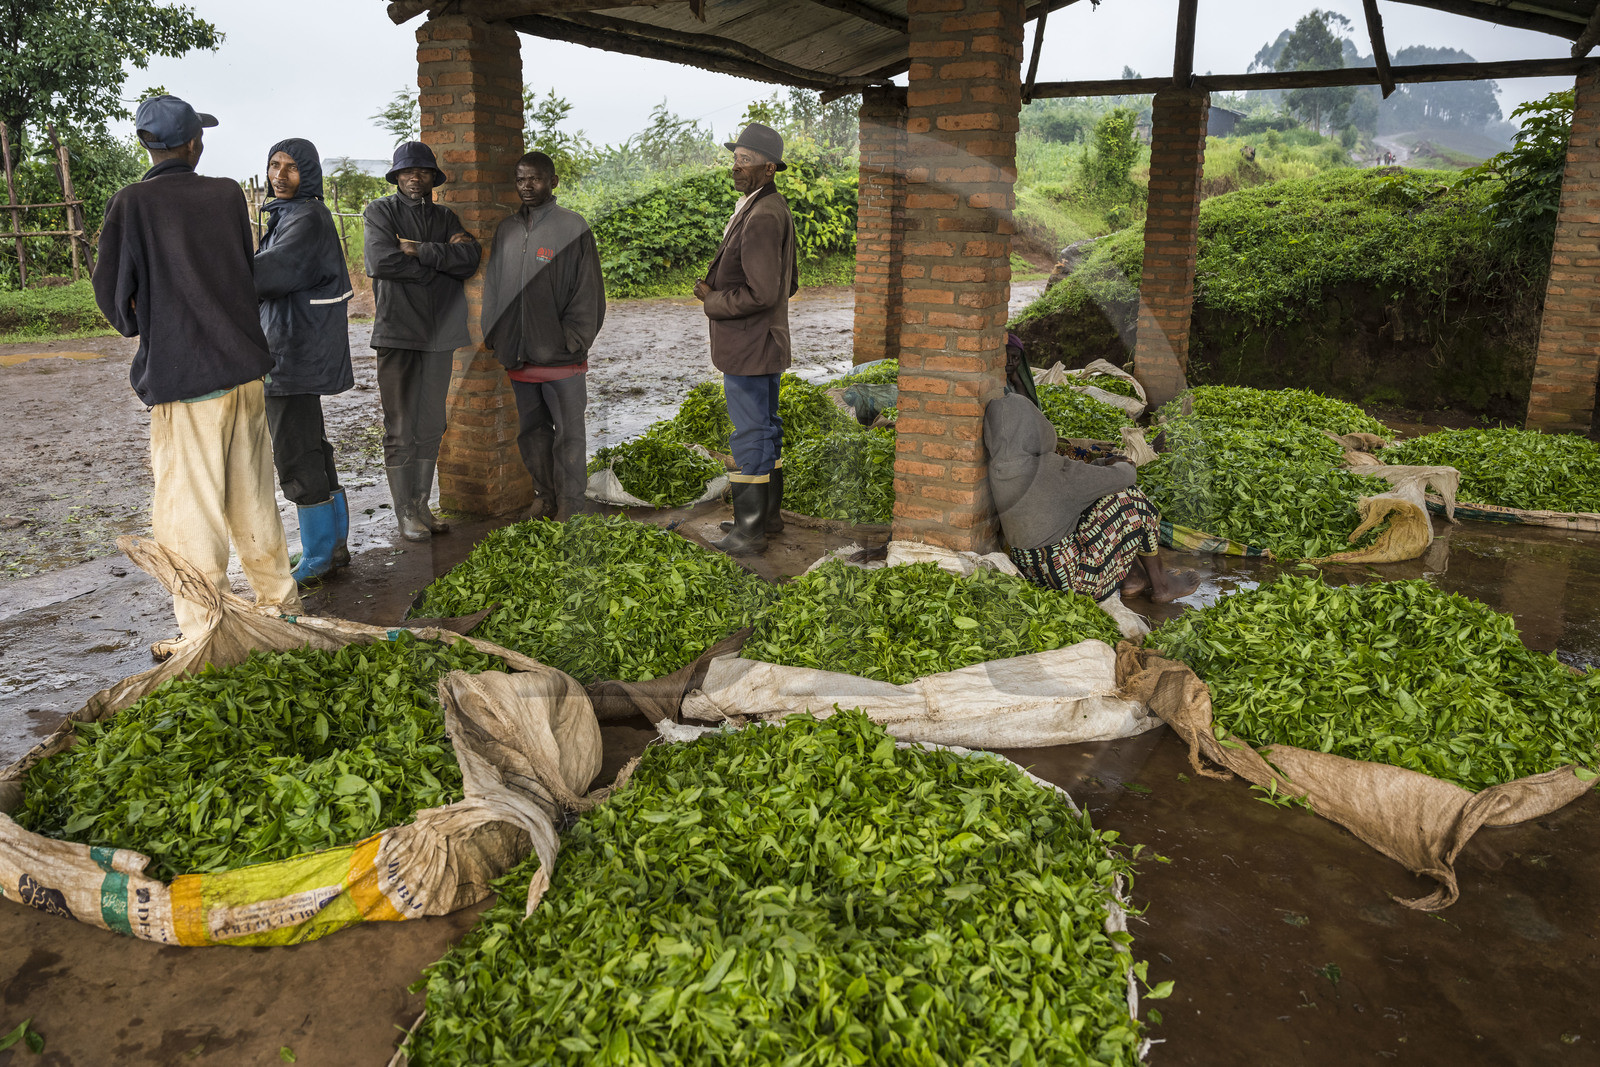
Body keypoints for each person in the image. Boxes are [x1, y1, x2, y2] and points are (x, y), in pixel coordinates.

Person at [92, 94, 302, 658]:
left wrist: (153, 312)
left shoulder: (131, 204)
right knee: (254, 499)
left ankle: (204, 634)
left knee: (189, 516)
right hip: (244, 373)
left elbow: (115, 305)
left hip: (186, 381)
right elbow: (242, 269)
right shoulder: (227, 194)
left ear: (145, 145)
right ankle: (281, 609)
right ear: (193, 144)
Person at [362, 141, 481, 541]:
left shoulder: (445, 217)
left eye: (423, 171)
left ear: (433, 178)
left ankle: (421, 505)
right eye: (407, 171)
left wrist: (418, 250)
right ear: (396, 176)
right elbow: (381, 263)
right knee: (400, 425)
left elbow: (470, 261)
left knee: (431, 423)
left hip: (440, 336)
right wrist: (440, 266)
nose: (415, 177)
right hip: (397, 333)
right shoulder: (380, 212)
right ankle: (405, 513)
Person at [481, 151, 606, 522]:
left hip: (561, 360)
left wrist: (571, 341)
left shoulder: (573, 227)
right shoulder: (507, 229)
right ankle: (544, 498)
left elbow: (589, 294)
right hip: (520, 356)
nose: (526, 186)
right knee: (532, 433)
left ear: (553, 181)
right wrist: (496, 336)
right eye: (520, 179)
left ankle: (571, 506)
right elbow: (493, 288)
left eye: (534, 178)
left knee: (569, 436)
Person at [984, 394, 1198, 610]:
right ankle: (1162, 583)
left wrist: (1103, 463)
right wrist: (1124, 462)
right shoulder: (1050, 469)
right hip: (1072, 583)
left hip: (1035, 573)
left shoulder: (999, 469)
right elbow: (1125, 477)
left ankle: (1134, 578)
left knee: (1096, 503)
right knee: (1129, 498)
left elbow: (1080, 478)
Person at [693, 122, 798, 555]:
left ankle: (749, 531)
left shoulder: (761, 216)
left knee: (751, 433)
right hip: (763, 343)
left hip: (749, 348)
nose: (737, 167)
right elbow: (785, 285)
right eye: (736, 158)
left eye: (747, 161)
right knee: (766, 428)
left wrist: (714, 299)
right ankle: (765, 519)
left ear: (769, 168)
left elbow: (763, 291)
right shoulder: (767, 207)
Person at [254, 137, 355, 582]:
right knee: (313, 446)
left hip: (290, 354)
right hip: (296, 348)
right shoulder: (292, 214)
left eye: (291, 167)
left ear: (308, 173)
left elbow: (273, 273)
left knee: (296, 452)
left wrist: (218, 265)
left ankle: (317, 556)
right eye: (274, 165)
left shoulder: (307, 217)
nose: (279, 175)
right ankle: (332, 548)